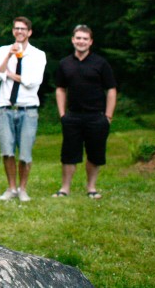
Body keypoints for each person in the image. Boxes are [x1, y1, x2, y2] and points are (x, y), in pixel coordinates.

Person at [53, 24, 117, 199]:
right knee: (68, 155)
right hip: (72, 116)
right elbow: (60, 89)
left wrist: (108, 116)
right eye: (78, 38)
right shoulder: (65, 64)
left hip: (96, 116)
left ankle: (91, 187)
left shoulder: (101, 63)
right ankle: (65, 188)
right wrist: (62, 114)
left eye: (85, 39)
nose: (81, 42)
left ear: (91, 42)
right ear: (73, 40)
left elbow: (111, 89)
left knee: (95, 154)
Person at [0, 17, 46, 202]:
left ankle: (23, 189)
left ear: (29, 32)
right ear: (13, 31)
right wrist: (8, 56)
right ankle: (11, 188)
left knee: (25, 153)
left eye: (23, 28)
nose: (19, 31)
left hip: (28, 108)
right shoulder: (3, 50)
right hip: (5, 108)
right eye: (16, 28)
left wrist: (11, 75)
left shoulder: (38, 55)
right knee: (7, 151)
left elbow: (33, 81)